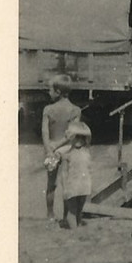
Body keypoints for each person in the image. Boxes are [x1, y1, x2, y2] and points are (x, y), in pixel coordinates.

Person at [41, 74, 81, 221]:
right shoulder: (75, 110)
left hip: (51, 149)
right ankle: (65, 216)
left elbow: (45, 131)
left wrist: (49, 149)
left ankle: (50, 215)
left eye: (50, 90)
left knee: (51, 184)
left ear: (58, 92)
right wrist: (59, 146)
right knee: (67, 184)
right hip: (67, 150)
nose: (48, 92)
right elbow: (71, 134)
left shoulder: (48, 110)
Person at [53, 121, 92, 229]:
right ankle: (74, 231)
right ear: (71, 138)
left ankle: (78, 225)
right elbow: (64, 172)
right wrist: (65, 188)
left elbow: (88, 169)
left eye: (82, 138)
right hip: (72, 186)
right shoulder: (67, 154)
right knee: (72, 210)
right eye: (76, 137)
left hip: (83, 185)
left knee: (80, 209)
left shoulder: (86, 152)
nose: (79, 140)